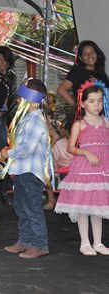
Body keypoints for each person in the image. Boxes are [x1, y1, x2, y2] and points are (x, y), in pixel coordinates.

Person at [55, 80, 109, 256]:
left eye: (100, 100)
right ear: (83, 103)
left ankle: (98, 242)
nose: (97, 105)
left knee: (98, 206)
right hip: (84, 168)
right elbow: (70, 148)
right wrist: (86, 152)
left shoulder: (106, 122)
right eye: (92, 101)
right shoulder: (80, 124)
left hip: (102, 168)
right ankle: (85, 242)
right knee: (83, 206)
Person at [0, 79, 51, 259]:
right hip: (23, 172)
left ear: (32, 99)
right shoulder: (28, 119)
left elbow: (27, 148)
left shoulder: (36, 120)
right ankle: (26, 240)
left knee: (32, 208)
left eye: (22, 96)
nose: (19, 100)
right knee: (21, 207)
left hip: (31, 173)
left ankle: (40, 244)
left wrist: (8, 154)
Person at [57, 41, 109, 108]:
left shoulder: (99, 72)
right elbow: (61, 90)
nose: (90, 56)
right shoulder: (78, 71)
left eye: (92, 52)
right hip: (87, 115)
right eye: (85, 54)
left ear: (97, 54)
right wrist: (78, 107)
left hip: (100, 114)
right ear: (80, 58)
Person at [44, 115, 74, 210]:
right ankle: (52, 200)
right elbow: (53, 165)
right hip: (64, 174)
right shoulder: (59, 145)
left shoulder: (84, 143)